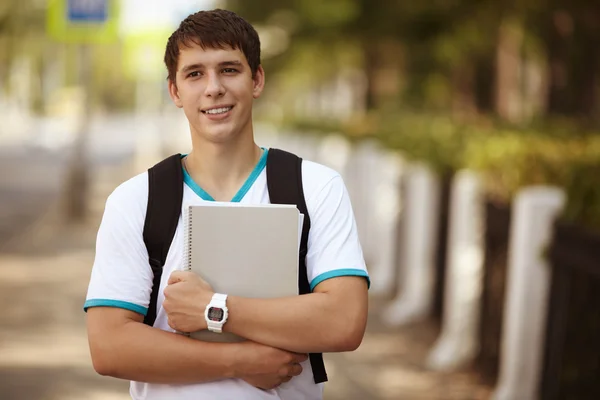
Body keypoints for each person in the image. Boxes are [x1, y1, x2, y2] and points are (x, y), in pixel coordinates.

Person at [84, 8, 369, 400]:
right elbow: (109, 347)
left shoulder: (315, 186)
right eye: (195, 73)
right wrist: (239, 361)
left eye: (230, 69)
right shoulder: (136, 200)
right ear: (175, 91)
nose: (213, 88)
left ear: (257, 79)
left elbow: (345, 321)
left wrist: (212, 309)